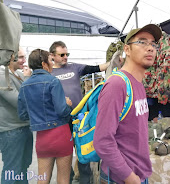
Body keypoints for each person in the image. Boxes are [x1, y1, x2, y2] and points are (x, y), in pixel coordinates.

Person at [94, 24, 162, 184]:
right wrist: (129, 176)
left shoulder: (138, 84)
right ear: (127, 49)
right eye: (142, 42)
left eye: (153, 44)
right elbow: (102, 141)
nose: (150, 48)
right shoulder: (117, 85)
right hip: (121, 179)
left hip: (138, 174)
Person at [49, 41, 110, 184]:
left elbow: (95, 68)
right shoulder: (49, 73)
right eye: (62, 55)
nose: (65, 57)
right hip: (60, 119)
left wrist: (114, 61)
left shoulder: (74, 67)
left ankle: (85, 178)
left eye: (67, 54)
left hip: (79, 117)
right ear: (52, 55)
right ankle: (68, 176)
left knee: (82, 147)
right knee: (64, 151)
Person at [18, 49, 73, 183]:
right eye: (50, 61)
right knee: (64, 179)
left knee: (42, 179)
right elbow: (62, 111)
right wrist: (68, 104)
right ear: (43, 64)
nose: (52, 64)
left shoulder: (24, 86)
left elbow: (23, 114)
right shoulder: (53, 81)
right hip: (61, 134)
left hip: (42, 138)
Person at [0, 47, 33, 184]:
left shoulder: (17, 73)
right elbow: (20, 102)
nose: (24, 61)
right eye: (20, 57)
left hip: (24, 127)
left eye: (24, 57)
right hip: (12, 131)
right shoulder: (2, 76)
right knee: (12, 171)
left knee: (23, 169)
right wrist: (27, 79)